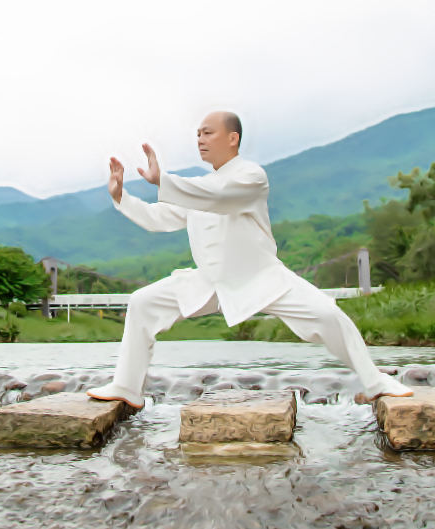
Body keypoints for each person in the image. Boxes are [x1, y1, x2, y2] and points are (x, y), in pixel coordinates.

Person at [87, 111, 413, 408]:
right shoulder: (198, 187)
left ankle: (375, 382)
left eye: (208, 132)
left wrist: (164, 181)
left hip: (262, 279)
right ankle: (127, 388)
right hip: (210, 282)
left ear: (233, 138)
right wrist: (121, 198)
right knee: (142, 302)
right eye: (198, 134)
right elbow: (160, 218)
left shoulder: (252, 176)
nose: (200, 139)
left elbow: (219, 199)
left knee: (328, 314)